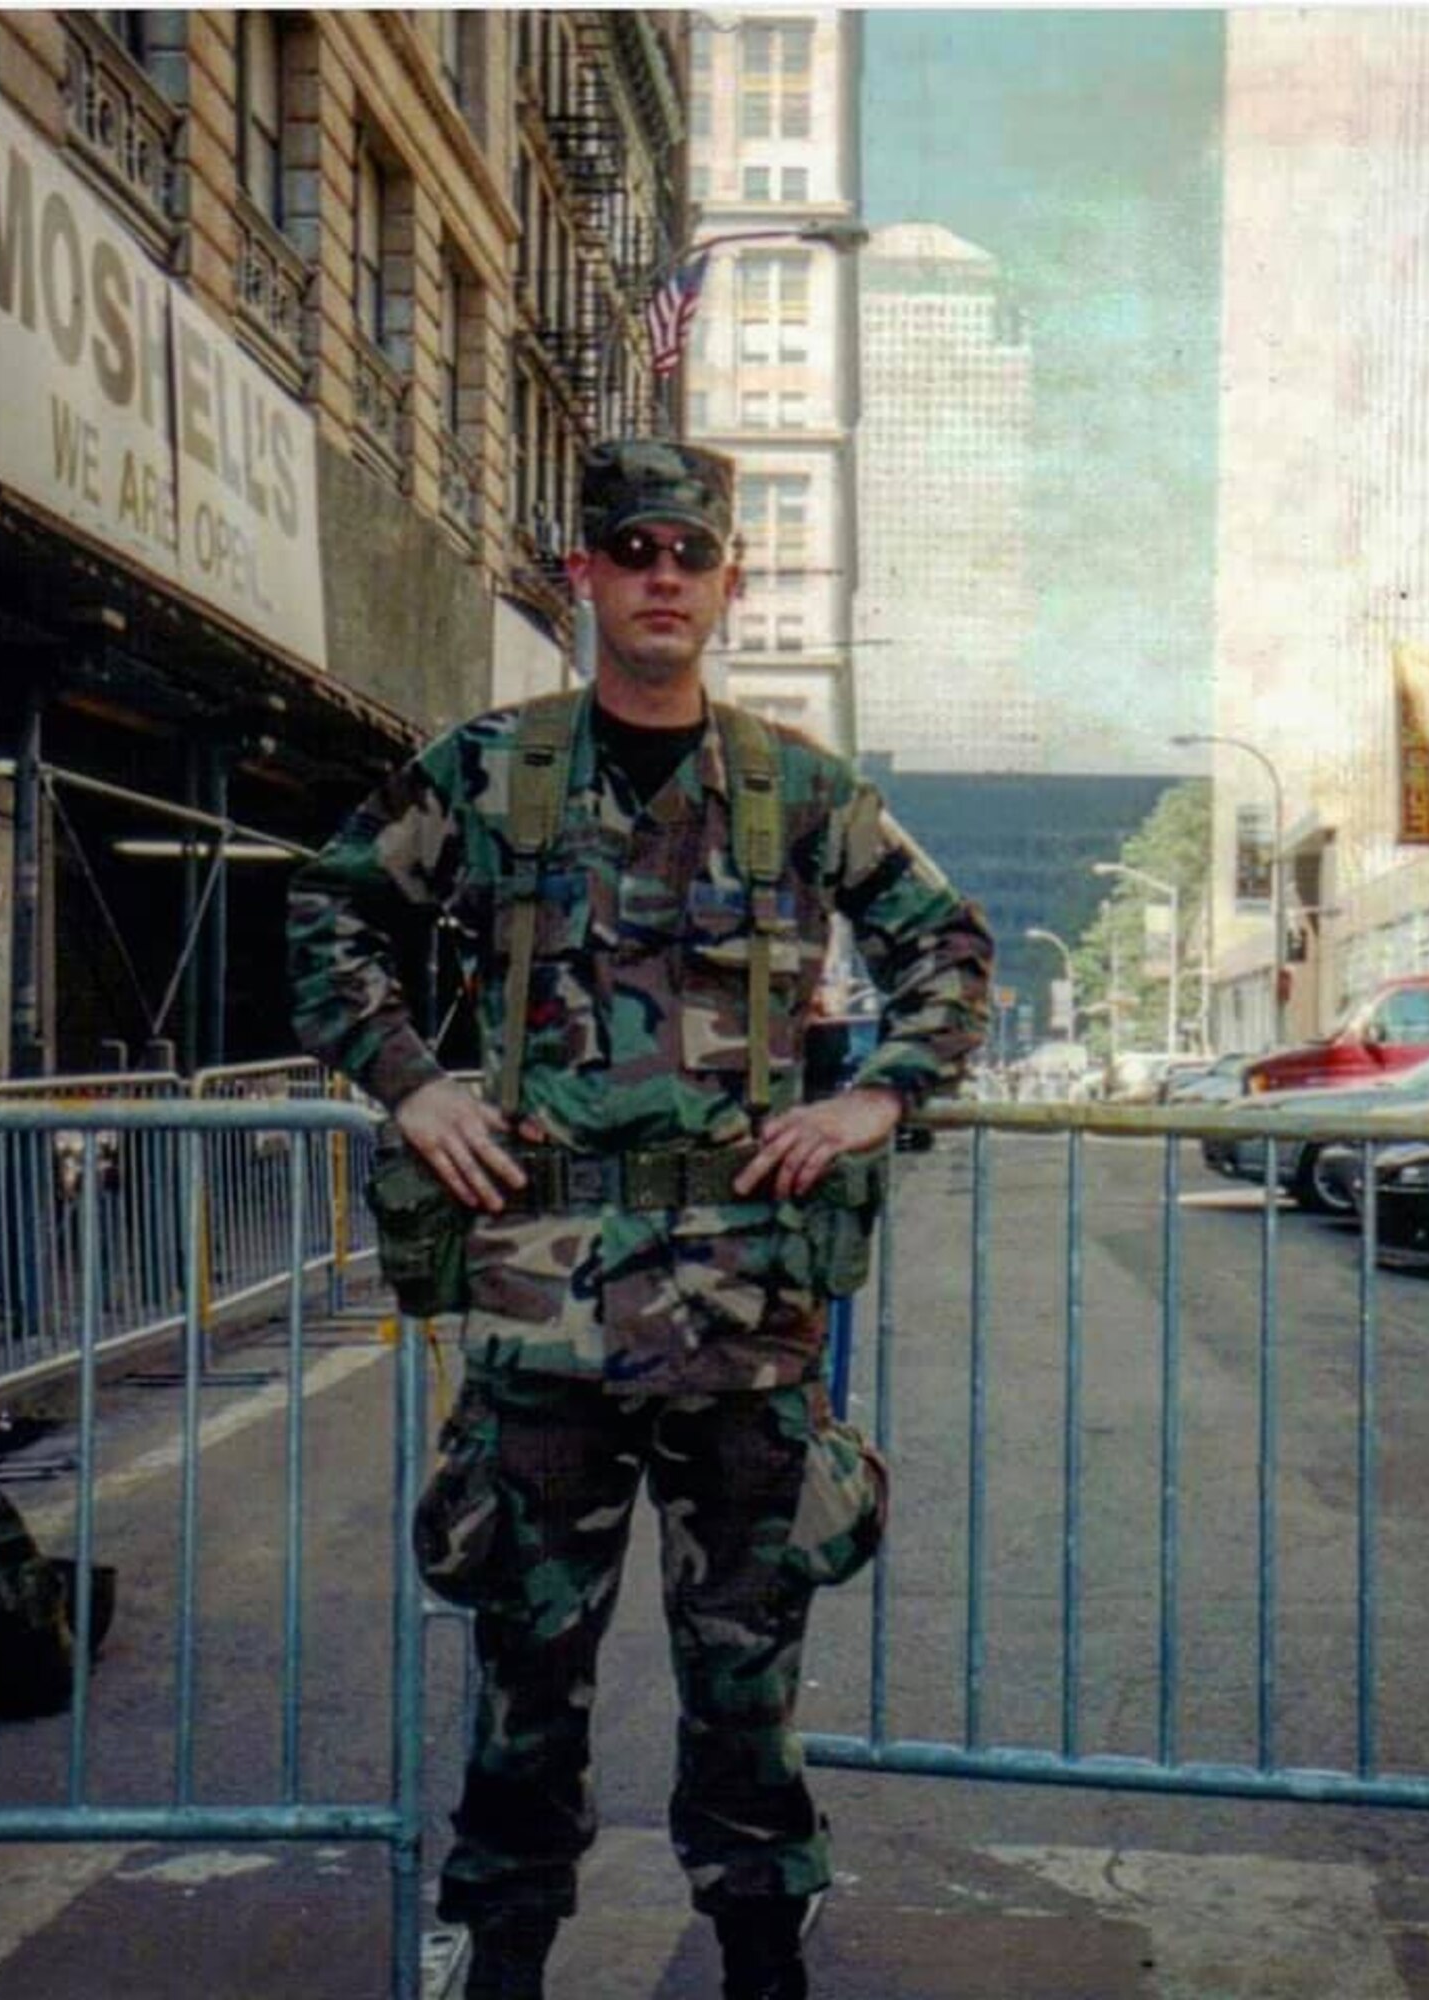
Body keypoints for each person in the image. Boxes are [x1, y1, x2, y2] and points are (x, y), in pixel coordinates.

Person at [288, 439, 993, 2000]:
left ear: (727, 584)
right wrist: (413, 1082)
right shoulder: (489, 770)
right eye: (634, 549)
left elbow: (945, 949)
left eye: (691, 553)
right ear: (587, 578)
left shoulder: (804, 793)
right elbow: (331, 907)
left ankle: (760, 1941)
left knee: (746, 1666)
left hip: (745, 1312)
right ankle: (506, 1946)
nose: (664, 576)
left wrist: (873, 1095)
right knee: (525, 1667)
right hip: (544, 1306)